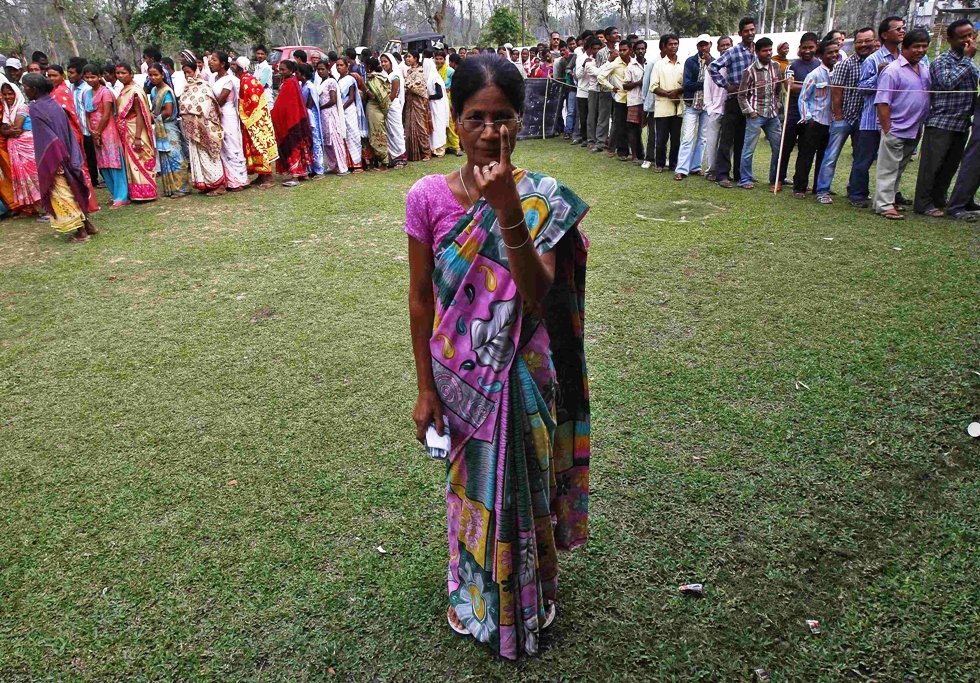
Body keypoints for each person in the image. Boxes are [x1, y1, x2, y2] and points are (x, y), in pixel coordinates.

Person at [405, 54, 590, 659]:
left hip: (525, 374)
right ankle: (473, 593)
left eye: (503, 118)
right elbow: (420, 299)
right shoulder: (428, 197)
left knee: (526, 488)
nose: (490, 132)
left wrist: (508, 207)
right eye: (477, 118)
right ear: (455, 121)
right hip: (460, 378)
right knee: (471, 493)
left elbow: (538, 297)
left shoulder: (542, 200)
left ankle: (532, 596)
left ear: (520, 120)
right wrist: (426, 389)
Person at [913, 19, 978, 217]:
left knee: (950, 166)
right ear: (950, 40)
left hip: (961, 122)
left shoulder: (969, 62)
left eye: (970, 35)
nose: (968, 40)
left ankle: (940, 199)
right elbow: (947, 83)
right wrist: (967, 59)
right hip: (942, 122)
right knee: (932, 166)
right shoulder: (943, 61)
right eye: (962, 37)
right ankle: (923, 203)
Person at [23, 74, 96, 241]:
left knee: (62, 194)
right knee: (73, 189)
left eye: (26, 87)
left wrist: (54, 159)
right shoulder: (52, 102)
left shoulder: (35, 108)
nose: (25, 90)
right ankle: (88, 225)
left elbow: (46, 137)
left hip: (55, 158)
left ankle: (80, 232)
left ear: (34, 89)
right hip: (68, 152)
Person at [874, 29, 931, 220]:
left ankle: (888, 200)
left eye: (924, 46)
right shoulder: (892, 70)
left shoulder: (923, 68)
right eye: (916, 46)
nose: (920, 50)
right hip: (896, 128)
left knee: (898, 169)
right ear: (905, 47)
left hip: (914, 129)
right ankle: (883, 205)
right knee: (888, 169)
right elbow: (882, 102)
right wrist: (887, 129)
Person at [814, 27, 875, 204]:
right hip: (844, 119)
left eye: (867, 41)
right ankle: (822, 191)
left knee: (861, 158)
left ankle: (855, 190)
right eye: (860, 41)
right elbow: (836, 92)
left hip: (865, 121)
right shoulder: (845, 64)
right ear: (854, 43)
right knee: (831, 156)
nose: (864, 45)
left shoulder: (876, 63)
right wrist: (839, 116)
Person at [851, 16, 906, 209]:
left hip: (895, 119)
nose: (902, 31)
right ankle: (857, 194)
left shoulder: (904, 58)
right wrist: (880, 75)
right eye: (897, 28)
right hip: (870, 119)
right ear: (885, 34)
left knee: (893, 161)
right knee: (863, 159)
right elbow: (862, 87)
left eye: (903, 28)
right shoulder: (873, 59)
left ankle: (891, 195)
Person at [708, 17, 757, 188]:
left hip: (752, 102)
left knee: (744, 140)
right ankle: (722, 175)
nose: (750, 33)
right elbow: (712, 67)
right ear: (740, 33)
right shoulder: (734, 51)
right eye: (746, 31)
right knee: (727, 139)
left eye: (752, 30)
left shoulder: (758, 52)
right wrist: (726, 86)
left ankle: (740, 174)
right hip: (734, 101)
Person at [793, 40, 840, 199]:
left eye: (836, 51)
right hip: (814, 123)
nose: (834, 55)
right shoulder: (814, 75)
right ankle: (799, 187)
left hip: (832, 123)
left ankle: (819, 187)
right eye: (830, 52)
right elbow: (803, 98)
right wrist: (808, 118)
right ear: (821, 55)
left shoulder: (839, 73)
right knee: (806, 156)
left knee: (825, 157)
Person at [51, 64, 99, 213]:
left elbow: (64, 117)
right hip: (67, 134)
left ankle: (88, 203)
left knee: (77, 167)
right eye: (49, 76)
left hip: (68, 134)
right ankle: (83, 202)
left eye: (54, 75)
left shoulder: (60, 92)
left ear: (62, 76)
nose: (51, 78)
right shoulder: (58, 91)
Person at [737, 37, 783, 190]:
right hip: (756, 115)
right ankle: (745, 179)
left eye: (770, 50)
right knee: (748, 149)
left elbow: (778, 91)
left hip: (772, 115)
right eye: (765, 50)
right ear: (757, 52)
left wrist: (777, 106)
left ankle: (775, 179)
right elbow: (741, 96)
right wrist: (751, 112)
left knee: (778, 148)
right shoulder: (749, 71)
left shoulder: (776, 67)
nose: (768, 53)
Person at [81, 63, 129, 207]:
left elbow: (107, 114)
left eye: (93, 77)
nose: (90, 80)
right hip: (94, 131)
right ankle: (114, 193)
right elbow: (87, 114)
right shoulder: (86, 93)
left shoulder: (105, 92)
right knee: (103, 164)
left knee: (114, 162)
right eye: (87, 77)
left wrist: (98, 132)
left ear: (99, 76)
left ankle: (122, 195)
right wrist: (91, 130)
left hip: (108, 131)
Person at [178, 59, 226, 194]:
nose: (187, 75)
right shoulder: (186, 87)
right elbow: (184, 105)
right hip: (193, 127)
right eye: (185, 73)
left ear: (196, 71)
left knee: (210, 154)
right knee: (198, 155)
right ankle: (206, 184)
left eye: (189, 72)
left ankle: (219, 185)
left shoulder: (203, 86)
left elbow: (208, 107)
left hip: (206, 126)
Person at [778, 33, 820, 185]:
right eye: (804, 48)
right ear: (800, 48)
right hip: (793, 113)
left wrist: (801, 85)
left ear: (816, 47)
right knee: (786, 148)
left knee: (805, 149)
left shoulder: (820, 66)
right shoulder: (792, 66)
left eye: (811, 47)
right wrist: (813, 86)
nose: (807, 51)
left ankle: (799, 182)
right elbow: (789, 87)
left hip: (812, 115)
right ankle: (779, 178)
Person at [114, 62, 157, 201]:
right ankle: (136, 192)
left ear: (131, 74)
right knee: (132, 162)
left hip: (135, 130)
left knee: (141, 159)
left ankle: (147, 192)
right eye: (118, 73)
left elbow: (140, 114)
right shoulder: (124, 89)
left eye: (123, 73)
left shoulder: (135, 91)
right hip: (127, 130)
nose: (120, 76)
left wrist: (138, 137)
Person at [148, 63, 190, 198]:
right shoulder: (154, 91)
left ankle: (181, 188)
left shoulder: (166, 91)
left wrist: (156, 118)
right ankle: (171, 188)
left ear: (162, 75)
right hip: (161, 127)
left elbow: (169, 111)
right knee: (165, 156)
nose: (153, 77)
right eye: (151, 75)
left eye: (156, 75)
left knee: (175, 156)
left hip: (169, 126)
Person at [209, 51, 249, 193]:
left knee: (232, 145)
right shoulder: (213, 78)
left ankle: (237, 180)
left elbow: (220, 100)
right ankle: (225, 179)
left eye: (214, 60)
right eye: (210, 59)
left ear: (223, 64)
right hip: (216, 115)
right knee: (222, 147)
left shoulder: (229, 80)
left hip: (227, 115)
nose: (210, 62)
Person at [1, 82, 41, 215]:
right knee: (23, 178)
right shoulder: (7, 111)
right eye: (5, 94)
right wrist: (6, 131)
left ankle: (46, 207)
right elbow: (4, 129)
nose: (7, 97)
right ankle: (34, 207)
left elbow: (16, 129)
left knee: (34, 176)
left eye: (10, 93)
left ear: (16, 93)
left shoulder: (22, 107)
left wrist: (7, 130)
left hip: (27, 146)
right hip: (15, 147)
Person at [675, 34, 713, 179]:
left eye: (706, 44)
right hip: (692, 104)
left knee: (703, 138)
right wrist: (705, 85)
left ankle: (696, 166)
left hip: (707, 105)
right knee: (687, 137)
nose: (703, 48)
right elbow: (687, 84)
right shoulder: (690, 62)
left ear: (710, 45)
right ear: (697, 46)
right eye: (701, 45)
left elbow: (717, 82)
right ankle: (681, 169)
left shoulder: (714, 62)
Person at [271, 60, 312, 186]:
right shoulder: (290, 82)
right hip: (293, 119)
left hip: (292, 120)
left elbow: (287, 104)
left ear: (290, 70)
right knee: (297, 146)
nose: (281, 72)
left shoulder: (290, 83)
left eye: (283, 70)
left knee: (293, 146)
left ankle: (295, 175)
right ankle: (303, 173)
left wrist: (274, 113)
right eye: (279, 69)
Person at [649, 34, 683, 172]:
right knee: (661, 138)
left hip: (678, 107)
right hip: (663, 107)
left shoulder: (683, 64)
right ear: (665, 46)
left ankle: (674, 164)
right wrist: (668, 94)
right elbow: (653, 87)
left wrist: (678, 91)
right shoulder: (658, 65)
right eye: (670, 44)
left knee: (676, 139)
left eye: (675, 44)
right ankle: (660, 164)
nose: (673, 46)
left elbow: (686, 84)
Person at [703, 36, 732, 180]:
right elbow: (706, 90)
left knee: (728, 144)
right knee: (712, 142)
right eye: (722, 45)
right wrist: (709, 108)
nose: (725, 48)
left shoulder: (734, 66)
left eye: (728, 45)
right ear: (718, 48)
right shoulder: (713, 66)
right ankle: (711, 171)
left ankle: (724, 170)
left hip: (730, 111)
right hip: (715, 110)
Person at [598, 40, 630, 160]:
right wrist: (612, 88)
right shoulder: (616, 63)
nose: (621, 52)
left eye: (624, 50)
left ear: (630, 50)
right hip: (620, 99)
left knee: (630, 126)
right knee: (618, 125)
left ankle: (631, 150)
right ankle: (618, 151)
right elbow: (600, 77)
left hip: (633, 100)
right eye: (620, 50)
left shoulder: (633, 63)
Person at [316, 62, 349, 176]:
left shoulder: (330, 82)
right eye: (318, 69)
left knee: (335, 140)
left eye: (322, 69)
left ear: (328, 70)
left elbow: (333, 100)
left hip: (330, 115)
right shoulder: (320, 83)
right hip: (323, 116)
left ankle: (342, 167)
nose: (320, 71)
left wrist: (320, 107)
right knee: (327, 142)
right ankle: (332, 165)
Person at [593, 26, 620, 153]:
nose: (617, 35)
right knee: (603, 118)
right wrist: (611, 59)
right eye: (614, 33)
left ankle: (615, 142)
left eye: (617, 33)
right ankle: (600, 143)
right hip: (605, 89)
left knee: (617, 118)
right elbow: (599, 71)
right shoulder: (601, 53)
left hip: (618, 90)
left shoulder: (621, 50)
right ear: (607, 37)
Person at [296, 63, 325, 178]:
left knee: (316, 142)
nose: (295, 75)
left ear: (303, 75)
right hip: (305, 116)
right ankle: (311, 167)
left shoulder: (310, 86)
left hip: (311, 118)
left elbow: (310, 103)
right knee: (309, 143)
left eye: (297, 73)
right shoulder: (301, 85)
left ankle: (319, 170)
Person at [337, 57, 365, 172]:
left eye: (341, 65)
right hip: (341, 110)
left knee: (353, 134)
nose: (339, 67)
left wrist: (341, 108)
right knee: (344, 135)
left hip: (349, 110)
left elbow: (352, 97)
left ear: (347, 66)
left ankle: (357, 164)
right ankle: (348, 163)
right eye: (337, 65)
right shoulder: (338, 80)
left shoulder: (350, 79)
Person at [363, 57, 391, 170]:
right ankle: (377, 160)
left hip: (375, 109)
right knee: (375, 133)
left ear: (369, 66)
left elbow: (376, 96)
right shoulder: (381, 76)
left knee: (378, 134)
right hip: (374, 109)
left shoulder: (374, 78)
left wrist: (364, 88)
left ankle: (384, 161)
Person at [403, 51, 430, 162]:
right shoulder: (409, 71)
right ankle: (413, 153)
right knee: (409, 126)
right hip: (409, 102)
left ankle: (426, 152)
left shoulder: (420, 71)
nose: (407, 59)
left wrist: (407, 86)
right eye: (406, 57)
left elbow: (420, 88)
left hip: (418, 102)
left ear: (415, 58)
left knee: (420, 126)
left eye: (409, 57)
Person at [380, 53, 406, 168]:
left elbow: (393, 94)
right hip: (387, 105)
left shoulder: (395, 76)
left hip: (393, 105)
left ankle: (401, 157)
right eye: (382, 61)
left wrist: (384, 104)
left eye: (385, 61)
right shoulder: (385, 75)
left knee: (396, 130)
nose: (383, 64)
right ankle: (392, 157)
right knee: (389, 131)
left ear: (391, 62)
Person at [623, 40, 647, 163]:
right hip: (634, 100)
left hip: (648, 101)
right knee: (633, 128)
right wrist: (638, 83)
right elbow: (625, 86)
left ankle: (646, 154)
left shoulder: (650, 65)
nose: (641, 51)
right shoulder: (630, 67)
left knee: (646, 127)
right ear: (634, 51)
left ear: (645, 50)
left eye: (643, 49)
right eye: (638, 49)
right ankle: (634, 156)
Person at [435, 51, 461, 156]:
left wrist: (451, 89)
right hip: (438, 100)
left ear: (445, 59)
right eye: (437, 58)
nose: (439, 61)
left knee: (450, 122)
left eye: (441, 59)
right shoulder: (434, 70)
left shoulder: (450, 71)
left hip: (449, 100)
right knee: (441, 123)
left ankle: (456, 147)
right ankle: (445, 145)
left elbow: (457, 83)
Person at [579, 37, 602, 150]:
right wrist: (608, 66)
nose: (597, 51)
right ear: (591, 50)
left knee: (602, 117)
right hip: (592, 91)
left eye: (599, 48)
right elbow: (599, 73)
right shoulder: (588, 62)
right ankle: (591, 140)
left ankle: (601, 140)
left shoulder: (604, 61)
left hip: (604, 91)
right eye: (594, 49)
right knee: (591, 117)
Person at [424, 56, 448, 158]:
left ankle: (440, 149)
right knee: (434, 127)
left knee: (439, 126)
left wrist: (428, 97)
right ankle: (434, 148)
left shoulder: (435, 78)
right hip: (433, 105)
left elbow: (440, 94)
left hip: (438, 105)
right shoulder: (429, 77)